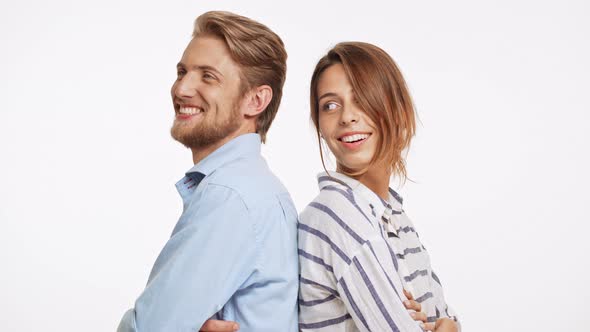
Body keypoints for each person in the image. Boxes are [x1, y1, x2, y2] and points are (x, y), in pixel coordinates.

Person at [117, 11, 298, 332]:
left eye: (207, 76)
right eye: (182, 72)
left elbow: (149, 328)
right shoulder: (255, 188)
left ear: (256, 100)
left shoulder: (231, 196)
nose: (182, 89)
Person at [297, 42, 460, 331]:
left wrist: (450, 326)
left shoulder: (392, 213)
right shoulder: (337, 214)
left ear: (397, 110)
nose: (347, 117)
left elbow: (444, 315)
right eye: (330, 105)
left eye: (361, 98)